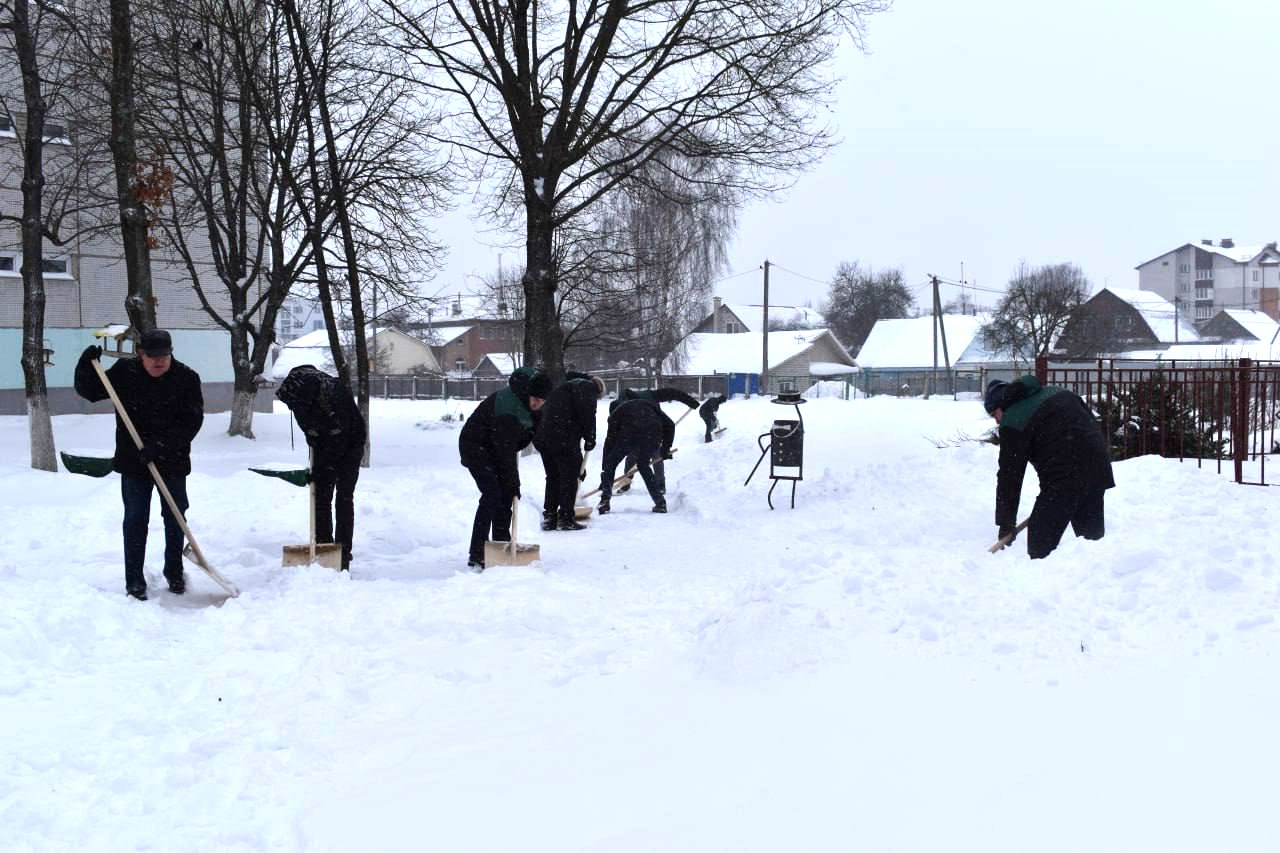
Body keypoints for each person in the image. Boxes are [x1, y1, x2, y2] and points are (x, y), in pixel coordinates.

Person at [74, 329, 204, 600]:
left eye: (164, 356)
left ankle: (174, 572)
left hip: (172, 460)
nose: (159, 362)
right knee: (135, 520)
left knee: (175, 517)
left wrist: (160, 447)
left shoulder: (186, 378)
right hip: (134, 462)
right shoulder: (125, 373)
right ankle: (134, 579)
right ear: (140, 354)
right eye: (152, 356)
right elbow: (90, 391)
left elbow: (191, 422)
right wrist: (85, 366)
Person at [985, 375, 1115, 559]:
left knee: (1040, 544)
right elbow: (1091, 426)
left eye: (993, 414)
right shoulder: (1058, 392)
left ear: (1000, 406)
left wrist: (1006, 522)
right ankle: (1096, 580)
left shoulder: (1013, 420)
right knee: (1091, 544)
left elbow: (1010, 475)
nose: (997, 421)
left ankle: (1041, 582)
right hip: (1096, 469)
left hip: (1063, 480)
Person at [458, 367, 553, 570]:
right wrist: (513, 481)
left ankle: (501, 540)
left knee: (506, 493)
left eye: (541, 401)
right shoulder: (508, 407)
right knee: (492, 493)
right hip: (476, 447)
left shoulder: (532, 408)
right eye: (534, 399)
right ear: (528, 394)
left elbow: (531, 439)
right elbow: (505, 451)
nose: (537, 404)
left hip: (495, 447)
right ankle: (478, 552)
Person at [275, 365, 367, 572]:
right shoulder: (313, 389)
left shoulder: (321, 394)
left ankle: (336, 551)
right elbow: (315, 428)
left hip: (345, 443)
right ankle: (331, 548)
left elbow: (334, 432)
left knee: (333, 498)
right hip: (340, 443)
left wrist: (323, 464)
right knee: (331, 498)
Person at [533, 373, 606, 531]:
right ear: (598, 391)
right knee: (570, 477)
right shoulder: (588, 389)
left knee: (553, 476)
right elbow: (588, 415)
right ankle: (566, 518)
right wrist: (590, 438)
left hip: (544, 436)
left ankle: (550, 516)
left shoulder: (564, 387)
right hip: (563, 437)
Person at [614, 386, 698, 494]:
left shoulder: (649, 396)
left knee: (656, 455)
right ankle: (625, 483)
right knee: (632, 456)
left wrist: (689, 401)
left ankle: (660, 485)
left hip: (654, 429)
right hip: (636, 432)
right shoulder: (622, 408)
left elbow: (671, 392)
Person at [597, 396, 669, 515]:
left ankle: (605, 501)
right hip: (650, 437)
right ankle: (660, 503)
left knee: (611, 463)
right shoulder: (649, 406)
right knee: (643, 466)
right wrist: (665, 448)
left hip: (629, 436)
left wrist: (606, 470)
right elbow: (670, 425)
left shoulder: (615, 414)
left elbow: (610, 442)